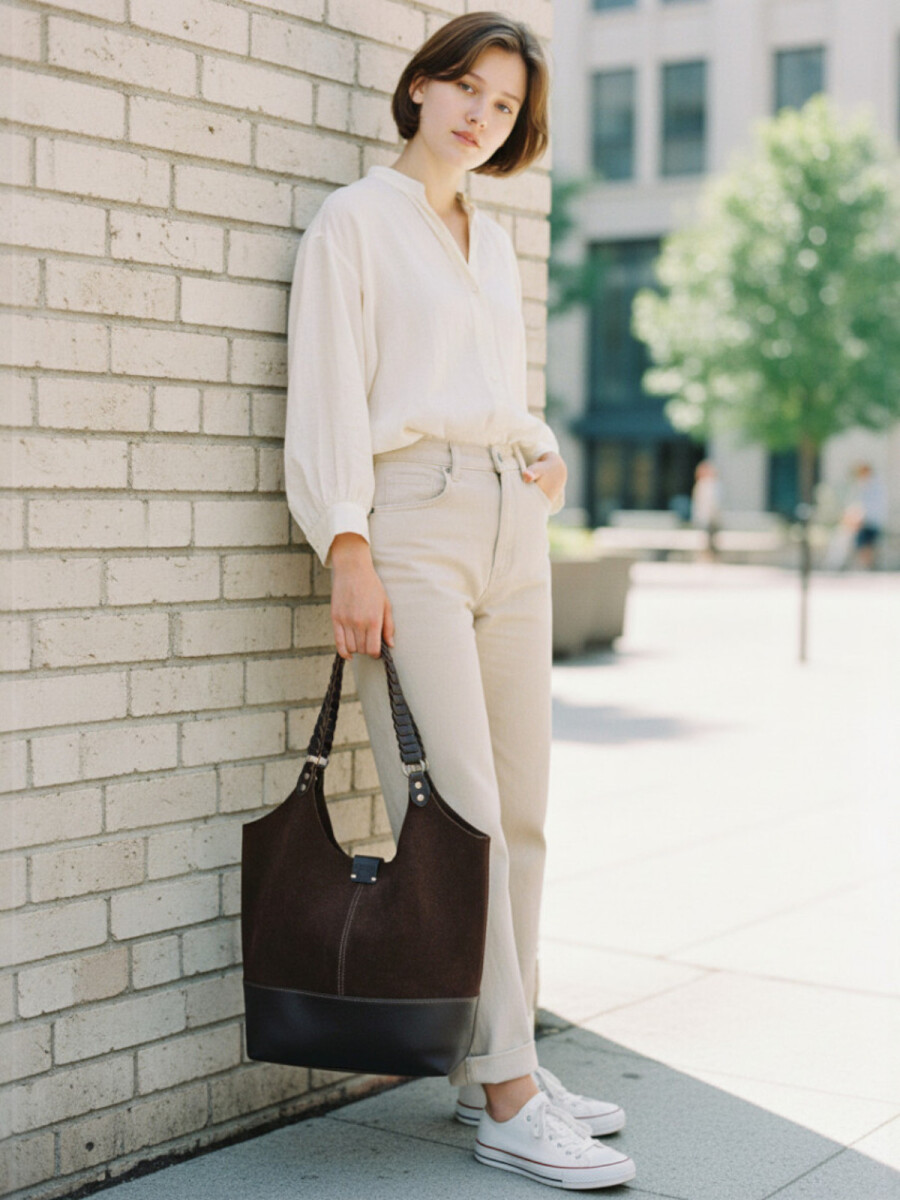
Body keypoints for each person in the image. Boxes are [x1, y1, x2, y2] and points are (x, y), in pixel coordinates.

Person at [283, 11, 636, 1191]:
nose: (482, 116)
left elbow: (498, 388)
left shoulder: (489, 241)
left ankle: (511, 1054)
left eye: (504, 105)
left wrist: (544, 451)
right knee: (460, 815)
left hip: (507, 523)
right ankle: (507, 1101)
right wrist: (346, 543)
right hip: (413, 530)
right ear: (422, 87)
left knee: (524, 813)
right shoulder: (356, 223)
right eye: (467, 89)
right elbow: (331, 387)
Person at [841, 462, 887, 570]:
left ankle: (868, 566)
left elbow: (872, 506)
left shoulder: (873, 486)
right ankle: (866, 566)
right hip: (868, 520)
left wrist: (860, 517)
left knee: (866, 545)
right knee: (865, 545)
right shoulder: (866, 485)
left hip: (870, 521)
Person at [690, 459, 722, 561]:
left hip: (708, 518)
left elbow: (711, 504)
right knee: (708, 540)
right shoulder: (708, 484)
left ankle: (709, 558)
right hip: (708, 517)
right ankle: (708, 558)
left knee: (709, 540)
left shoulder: (708, 485)